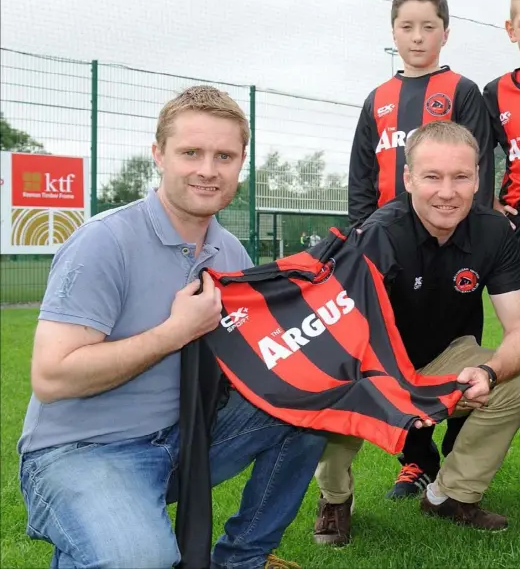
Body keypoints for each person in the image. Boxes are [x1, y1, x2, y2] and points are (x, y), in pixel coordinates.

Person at [17, 86, 326, 569]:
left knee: (313, 401)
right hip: (81, 450)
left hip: (183, 438)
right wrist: (174, 331)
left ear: (240, 163)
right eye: (191, 153)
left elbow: (248, 364)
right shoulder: (104, 241)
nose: (208, 169)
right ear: (159, 155)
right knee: (139, 558)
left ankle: (241, 559)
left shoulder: (231, 255)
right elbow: (52, 378)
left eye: (224, 155)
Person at [314, 120, 520, 546]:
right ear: (407, 178)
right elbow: (346, 339)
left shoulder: (495, 231)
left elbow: (519, 328)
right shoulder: (378, 235)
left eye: (461, 176)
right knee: (336, 407)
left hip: (442, 358)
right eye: (432, 176)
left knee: (516, 381)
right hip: (369, 364)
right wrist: (392, 390)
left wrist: (490, 371)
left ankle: (450, 495)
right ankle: (335, 497)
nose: (447, 192)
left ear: (479, 177)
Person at [347, 0, 496, 499]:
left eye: (427, 27)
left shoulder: (461, 92)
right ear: (393, 32)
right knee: (397, 350)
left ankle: (457, 453)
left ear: (445, 33)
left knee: (463, 348)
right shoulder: (378, 99)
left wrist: (471, 234)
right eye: (406, 27)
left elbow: (478, 169)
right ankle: (416, 460)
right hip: (393, 250)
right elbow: (361, 179)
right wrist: (361, 239)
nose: (417, 37)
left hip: (455, 247)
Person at [483, 0, 520, 237]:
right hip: (516, 216)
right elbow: (477, 155)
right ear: (512, 30)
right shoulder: (496, 92)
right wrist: (490, 204)